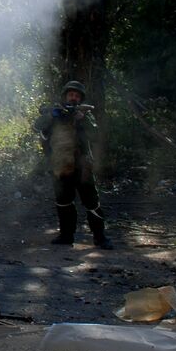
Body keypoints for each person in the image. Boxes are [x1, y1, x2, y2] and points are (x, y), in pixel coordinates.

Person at [35, 80, 111, 248]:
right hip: (61, 166)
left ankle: (100, 238)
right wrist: (50, 116)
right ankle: (66, 236)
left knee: (92, 202)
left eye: (77, 96)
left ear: (80, 98)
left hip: (82, 167)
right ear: (65, 96)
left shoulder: (84, 115)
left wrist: (82, 120)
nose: (73, 98)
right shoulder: (55, 112)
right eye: (71, 95)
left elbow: (96, 135)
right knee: (63, 202)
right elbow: (38, 127)